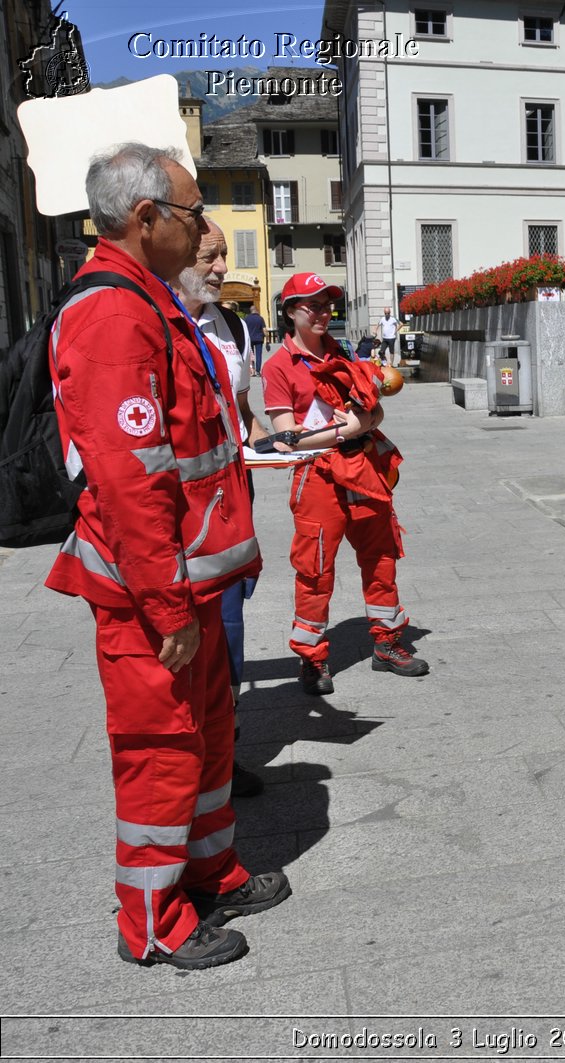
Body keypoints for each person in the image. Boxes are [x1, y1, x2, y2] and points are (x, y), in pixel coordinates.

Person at [47, 143, 289, 970]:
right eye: (188, 214)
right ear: (145, 219)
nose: (200, 230)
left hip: (190, 578)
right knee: (161, 746)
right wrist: (164, 604)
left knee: (210, 732)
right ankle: (152, 918)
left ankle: (210, 869)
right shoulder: (113, 315)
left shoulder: (150, 301)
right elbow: (131, 476)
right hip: (156, 591)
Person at [262, 274, 428, 694]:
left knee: (381, 556)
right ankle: (313, 658)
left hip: (361, 468)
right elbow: (285, 439)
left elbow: (373, 412)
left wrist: (365, 422)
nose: (322, 313)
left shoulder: (346, 352)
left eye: (326, 305)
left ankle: (387, 642)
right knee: (314, 569)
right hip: (317, 476)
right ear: (289, 312)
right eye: (311, 306)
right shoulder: (278, 366)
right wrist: (347, 429)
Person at [175, 218, 268, 798]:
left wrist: (275, 439)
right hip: (185, 505)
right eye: (211, 256)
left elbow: (240, 407)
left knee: (229, 626)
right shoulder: (157, 319)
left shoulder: (229, 322)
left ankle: (223, 749)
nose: (221, 268)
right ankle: (194, 756)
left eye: (224, 256)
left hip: (233, 492)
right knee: (192, 631)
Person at [243, 303, 266, 372]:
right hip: (259, 339)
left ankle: (252, 369)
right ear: (256, 310)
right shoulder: (260, 318)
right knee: (258, 355)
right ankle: (258, 371)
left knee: (251, 355)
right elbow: (264, 330)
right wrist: (267, 340)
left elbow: (244, 329)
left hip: (250, 339)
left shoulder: (246, 318)